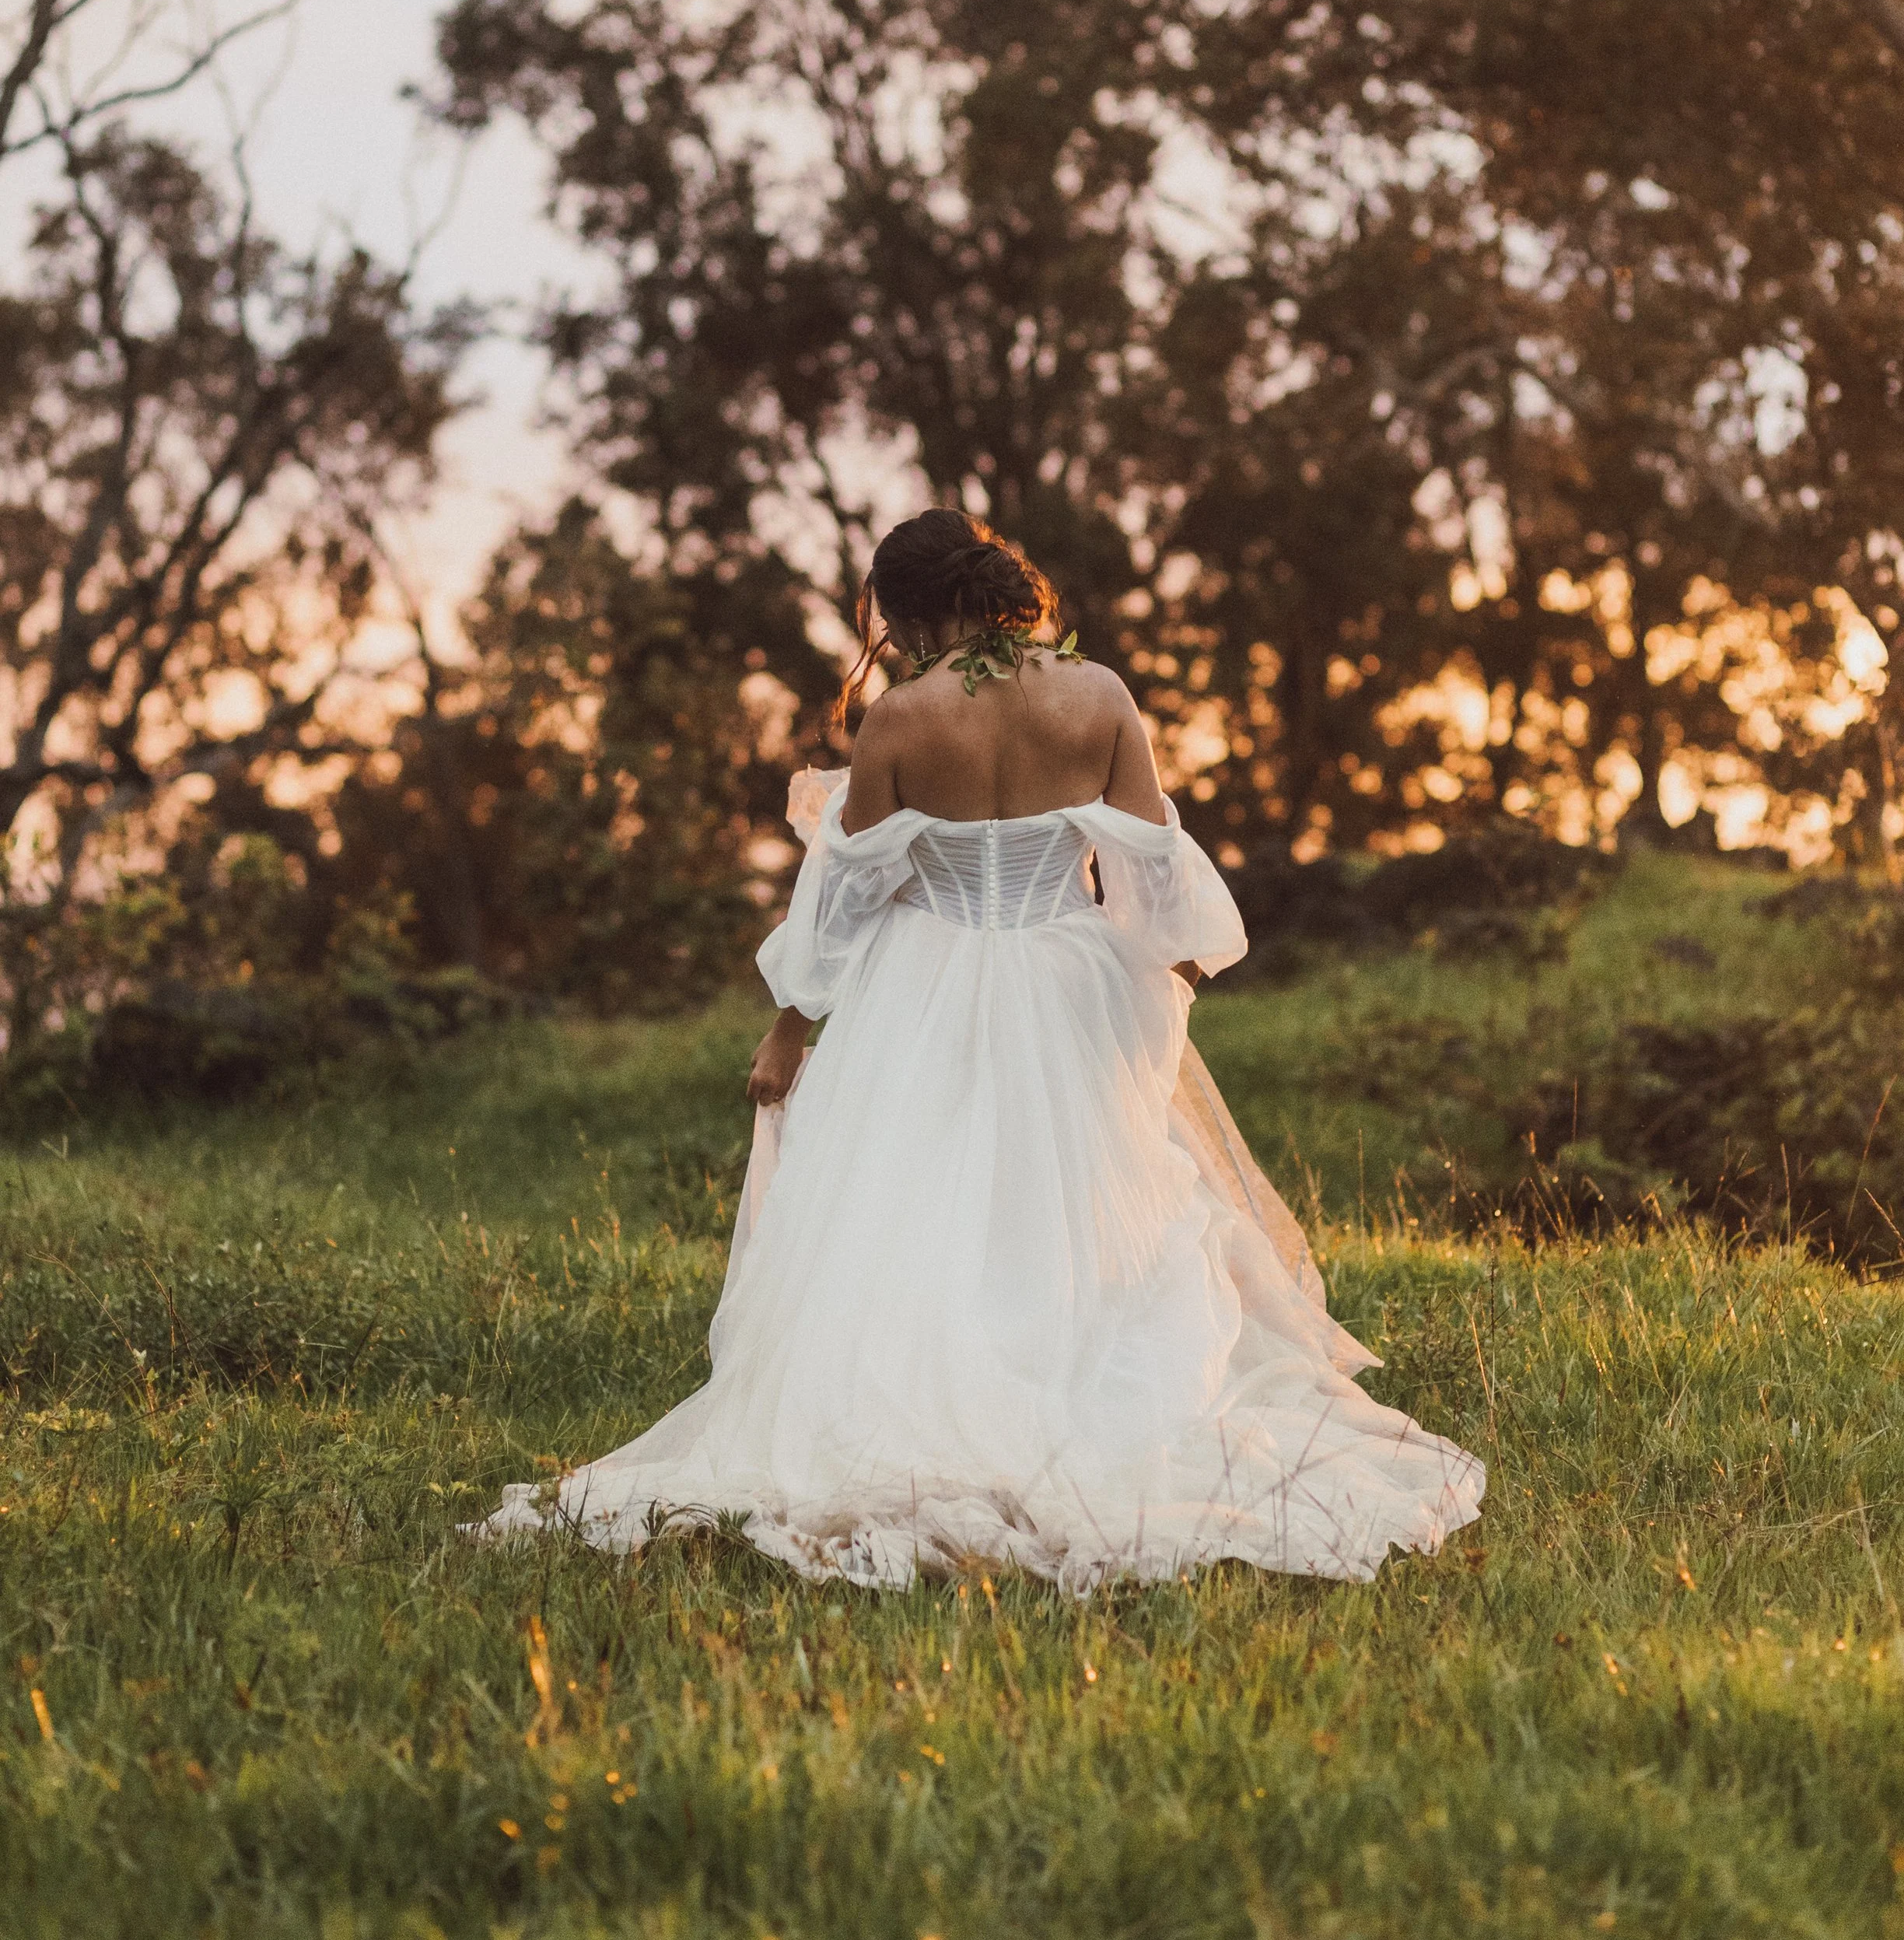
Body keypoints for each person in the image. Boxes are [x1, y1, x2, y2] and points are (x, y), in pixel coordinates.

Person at [472, 510, 1483, 1591]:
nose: (897, 646)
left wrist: (788, 1027)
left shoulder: (901, 722)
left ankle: (937, 1401)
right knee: (1080, 1201)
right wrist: (1155, 977)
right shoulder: (1098, 696)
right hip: (1069, 974)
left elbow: (850, 896)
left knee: (925, 1203)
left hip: (931, 987)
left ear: (919, 613)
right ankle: (1076, 1397)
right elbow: (1153, 873)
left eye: (897, 626)